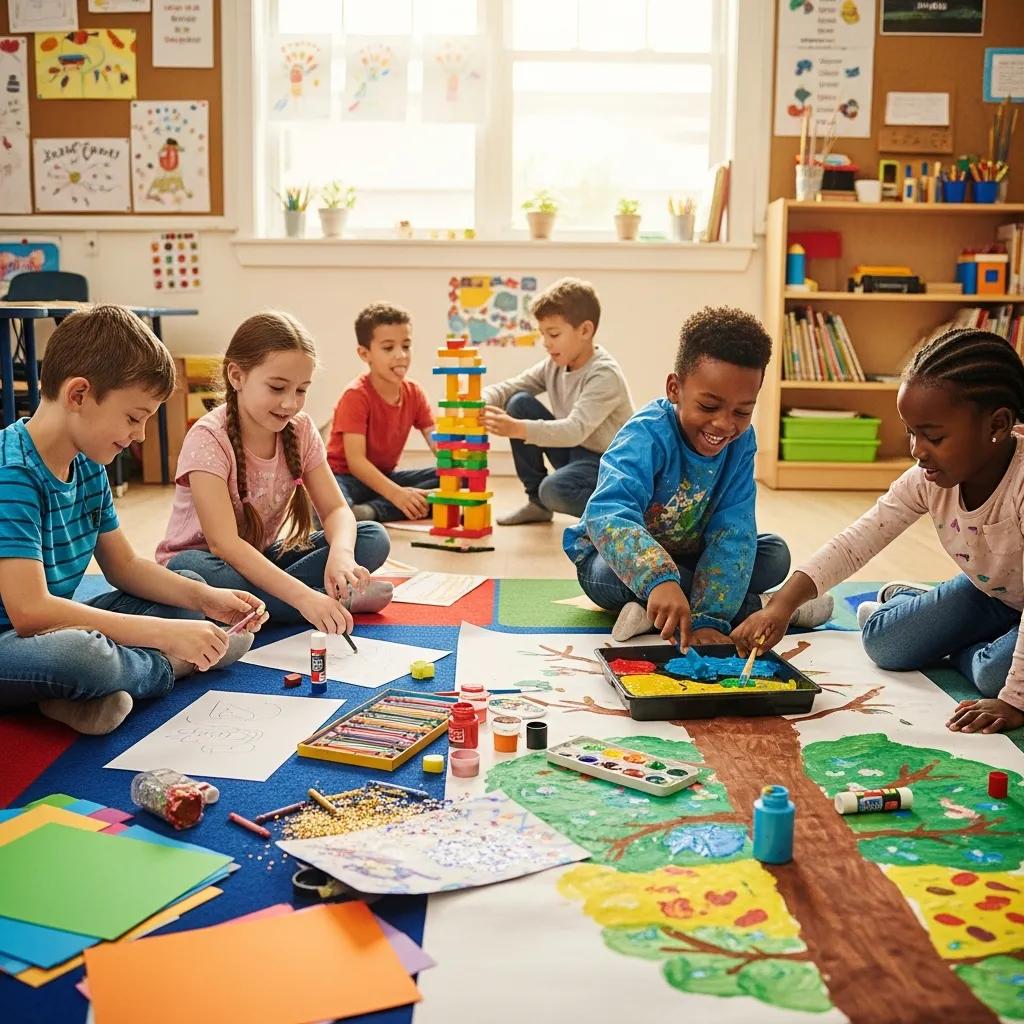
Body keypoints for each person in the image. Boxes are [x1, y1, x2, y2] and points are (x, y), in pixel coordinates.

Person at [734, 328, 1024, 735]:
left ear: (998, 423)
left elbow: (1011, 696)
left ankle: (969, 641)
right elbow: (857, 541)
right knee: (883, 644)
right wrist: (781, 606)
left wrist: (1012, 700)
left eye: (934, 437)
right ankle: (920, 607)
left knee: (998, 678)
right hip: (990, 592)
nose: (917, 450)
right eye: (911, 433)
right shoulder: (926, 477)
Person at [0, 306, 265, 735]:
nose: (141, 435)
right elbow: (30, 612)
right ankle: (173, 666)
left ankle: (69, 698)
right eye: (133, 417)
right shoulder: (12, 473)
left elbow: (124, 566)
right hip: (14, 641)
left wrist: (206, 600)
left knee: (182, 591)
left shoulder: (86, 464)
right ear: (79, 395)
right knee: (82, 656)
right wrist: (167, 639)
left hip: (50, 630)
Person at [565, 306, 832, 646]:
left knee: (775, 555)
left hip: (690, 555)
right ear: (675, 389)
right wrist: (658, 579)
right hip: (617, 558)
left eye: (742, 411)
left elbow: (733, 530)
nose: (724, 424)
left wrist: (711, 620)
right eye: (708, 407)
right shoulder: (645, 435)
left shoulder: (741, 443)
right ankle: (768, 607)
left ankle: (654, 614)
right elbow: (606, 514)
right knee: (606, 578)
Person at [158, 311, 393, 632]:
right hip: (207, 568)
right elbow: (224, 544)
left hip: (259, 560)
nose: (290, 403)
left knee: (371, 537)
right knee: (189, 568)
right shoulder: (208, 437)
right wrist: (304, 598)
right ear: (237, 376)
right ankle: (325, 601)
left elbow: (337, 508)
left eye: (301, 390)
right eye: (277, 387)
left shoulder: (301, 430)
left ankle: (274, 606)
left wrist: (341, 556)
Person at [480, 277, 633, 525]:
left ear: (585, 330)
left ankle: (620, 514)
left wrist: (516, 428)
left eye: (553, 334)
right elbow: (513, 387)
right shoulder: (555, 365)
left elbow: (574, 430)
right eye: (542, 334)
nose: (546, 343)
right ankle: (538, 505)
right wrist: (480, 399)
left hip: (609, 464)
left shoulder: (604, 374)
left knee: (553, 490)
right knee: (519, 403)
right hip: (577, 452)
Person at [327, 302, 439, 522]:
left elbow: (436, 440)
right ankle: (384, 509)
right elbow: (356, 463)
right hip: (345, 478)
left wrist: (456, 461)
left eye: (406, 346)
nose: (401, 355)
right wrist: (396, 494)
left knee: (456, 478)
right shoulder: (356, 396)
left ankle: (372, 511)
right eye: (388, 348)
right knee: (331, 508)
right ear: (364, 353)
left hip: (382, 478)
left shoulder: (414, 393)